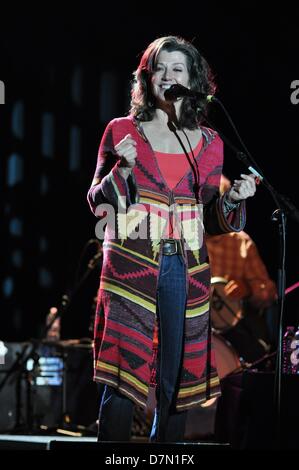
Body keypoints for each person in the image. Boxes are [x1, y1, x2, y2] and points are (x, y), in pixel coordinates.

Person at [87, 35, 256, 443]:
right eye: (159, 68)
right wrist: (121, 172)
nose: (167, 76)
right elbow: (97, 201)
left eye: (177, 69)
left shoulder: (211, 144)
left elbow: (211, 219)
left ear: (192, 79)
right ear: (147, 77)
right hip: (131, 263)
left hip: (186, 265)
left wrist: (231, 199)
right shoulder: (122, 131)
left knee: (177, 375)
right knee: (124, 368)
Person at [206, 175, 278, 362]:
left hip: (229, 335)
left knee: (259, 356)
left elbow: (269, 292)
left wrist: (248, 288)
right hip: (188, 326)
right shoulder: (182, 236)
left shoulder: (241, 243)